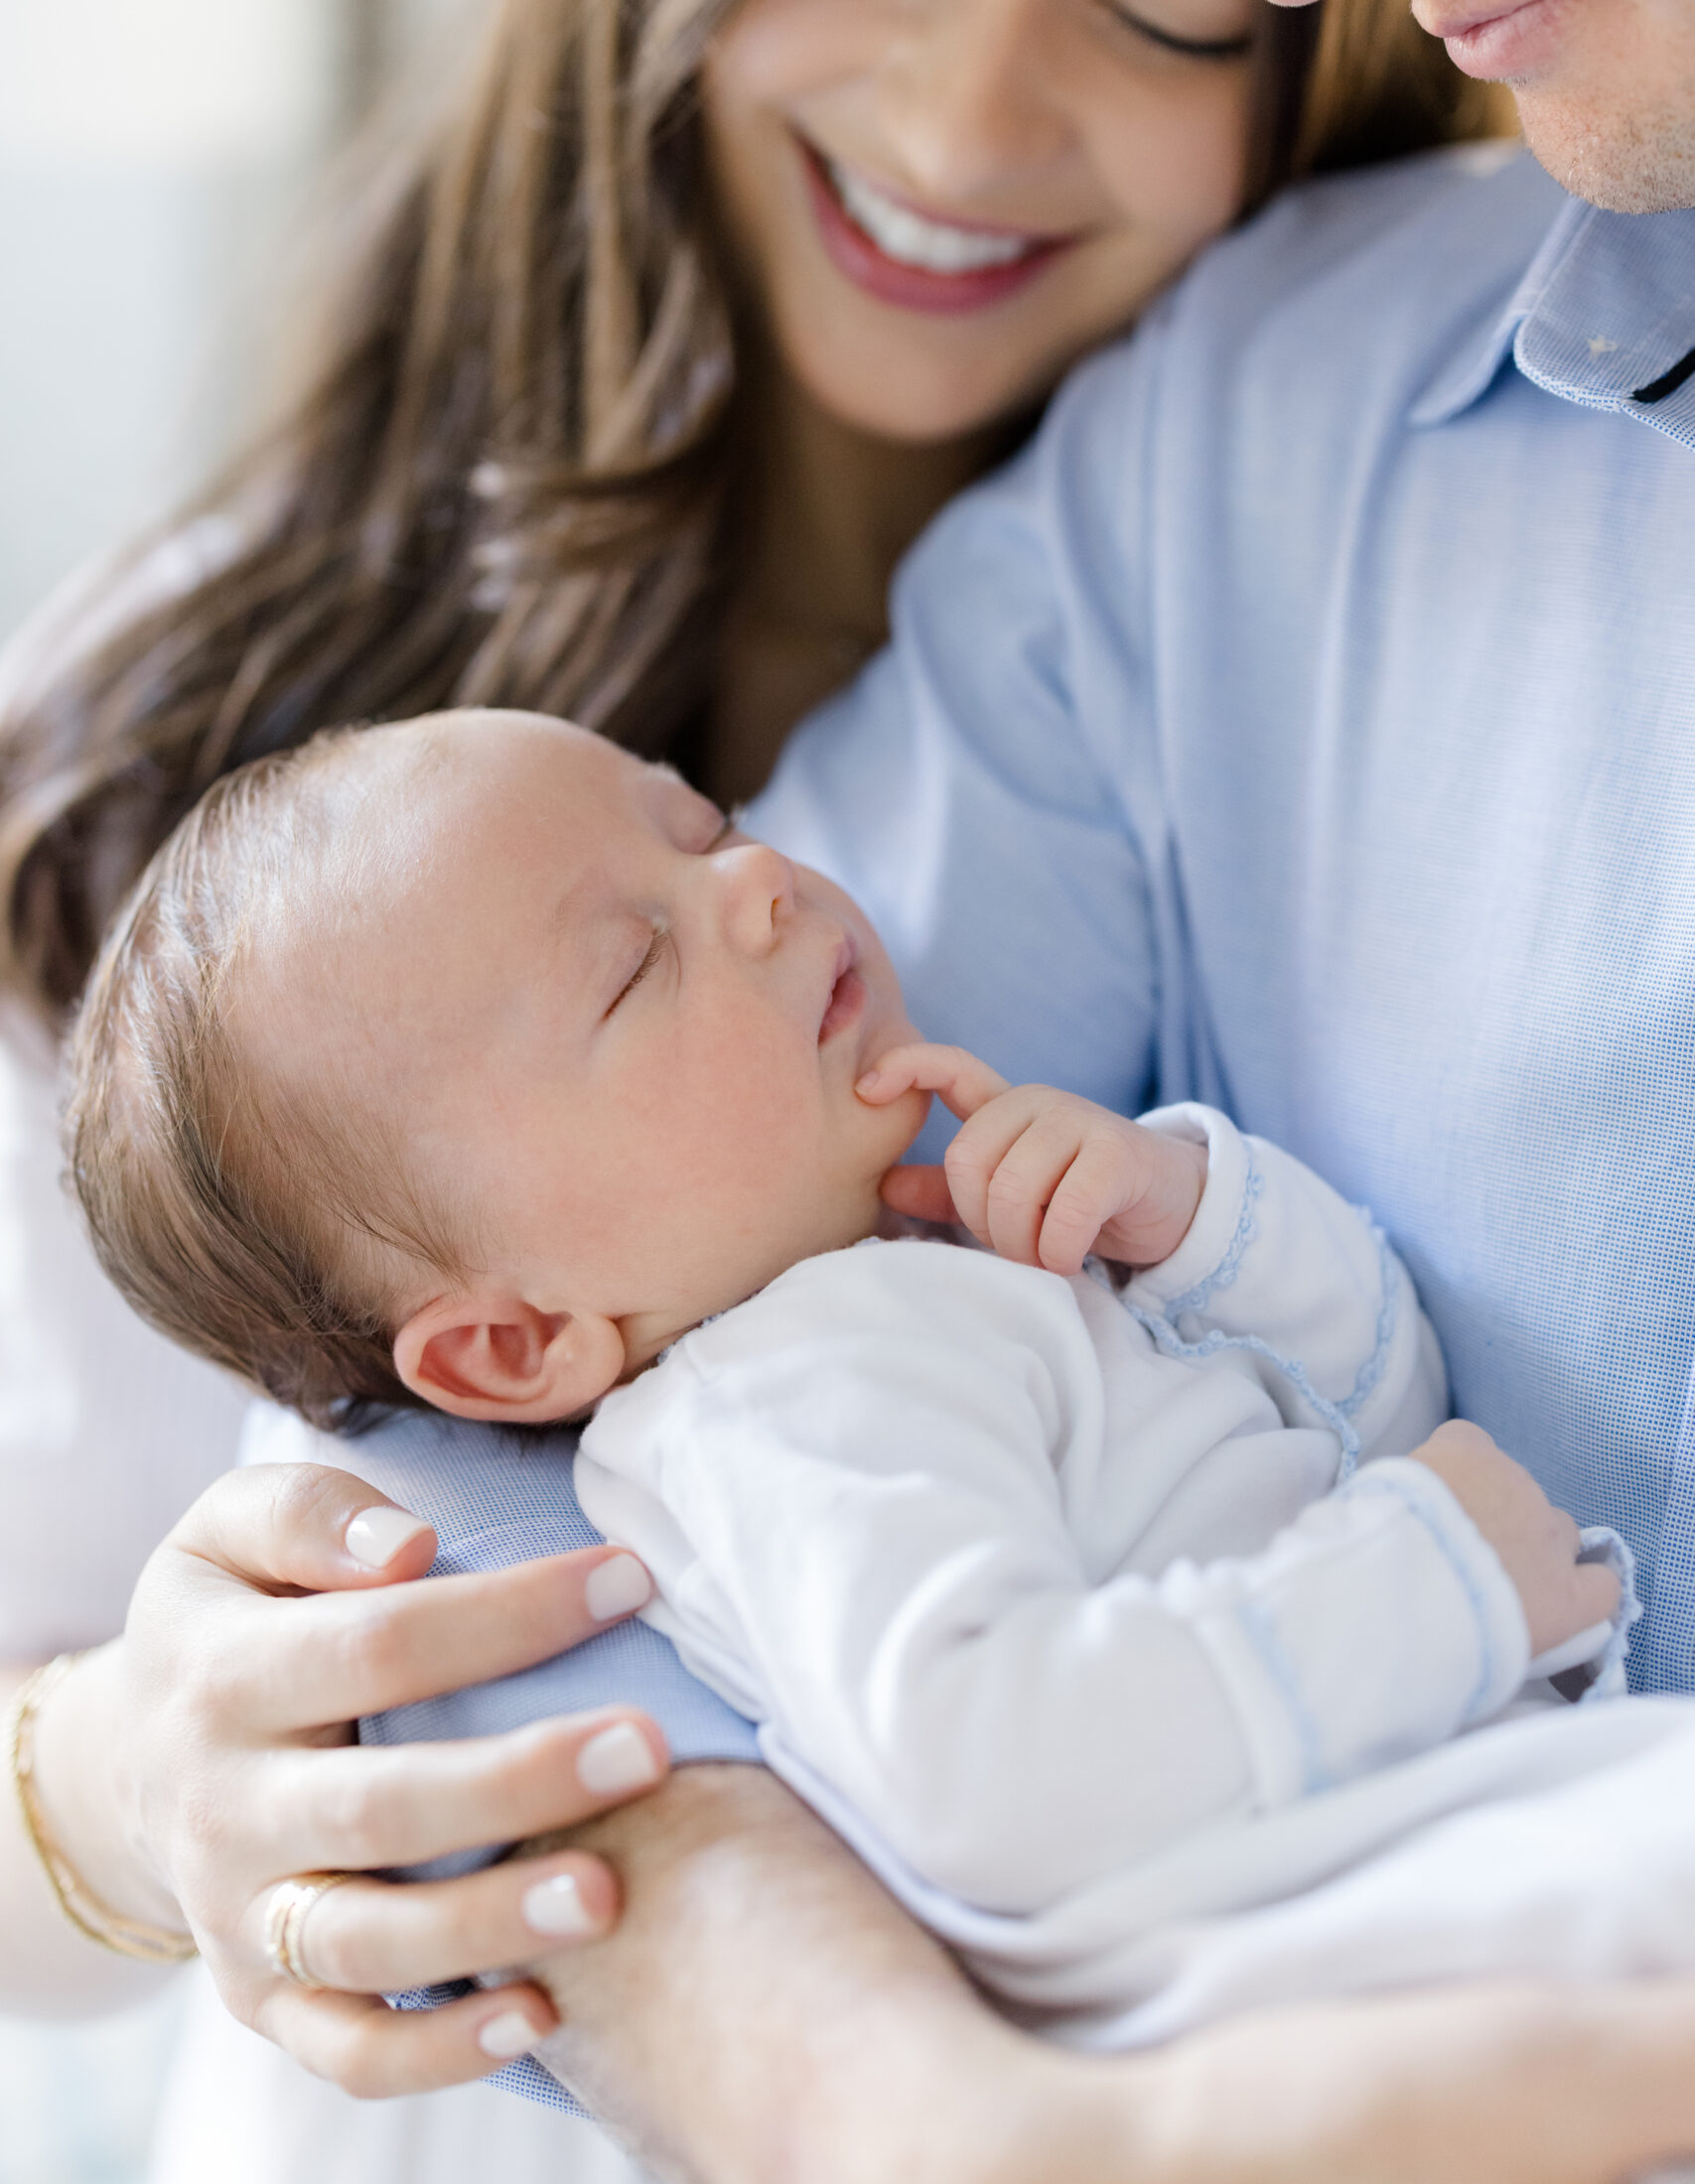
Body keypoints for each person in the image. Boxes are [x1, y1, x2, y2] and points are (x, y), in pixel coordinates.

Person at [0, 0, 1510, 2171]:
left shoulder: (1302, 553)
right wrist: (120, 1792)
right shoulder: (205, 752)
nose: (968, 115)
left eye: (1160, 11)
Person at [71, 705, 1691, 2061]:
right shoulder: (788, 1409)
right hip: (1304, 1957)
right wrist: (1429, 1580)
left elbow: (1377, 1424)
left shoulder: (914, 1291)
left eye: (702, 828)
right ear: (515, 1346)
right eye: (636, 968)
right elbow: (994, 1775)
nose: (761, 882)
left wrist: (1192, 1221)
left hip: (1421, 1857)